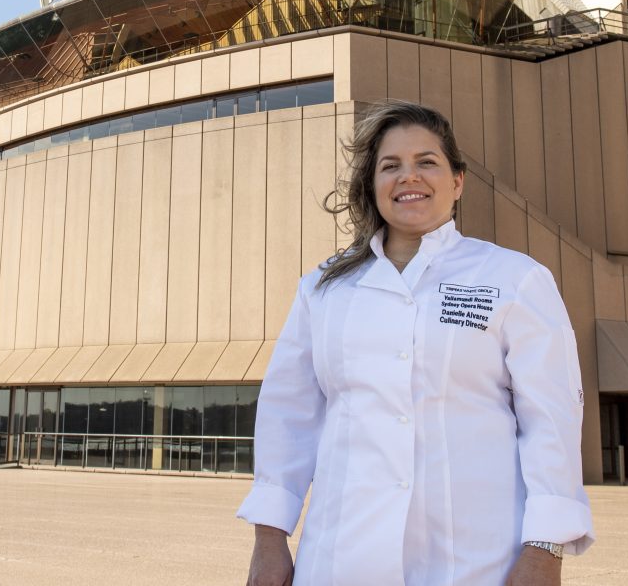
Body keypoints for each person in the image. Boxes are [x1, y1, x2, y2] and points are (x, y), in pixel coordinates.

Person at [237, 100, 593, 586]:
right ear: (372, 185)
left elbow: (551, 421)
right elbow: (288, 415)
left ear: (458, 181)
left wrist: (545, 549)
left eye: (427, 162)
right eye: (391, 166)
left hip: (477, 561)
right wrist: (269, 538)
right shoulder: (323, 288)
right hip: (342, 557)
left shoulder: (514, 279)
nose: (409, 176)